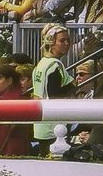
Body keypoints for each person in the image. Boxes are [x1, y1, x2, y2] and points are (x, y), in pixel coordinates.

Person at [32, 24, 75, 153]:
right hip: (54, 126)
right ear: (51, 42)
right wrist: (72, 88)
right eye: (62, 41)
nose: (66, 43)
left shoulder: (42, 63)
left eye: (68, 40)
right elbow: (54, 94)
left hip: (41, 124)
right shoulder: (55, 66)